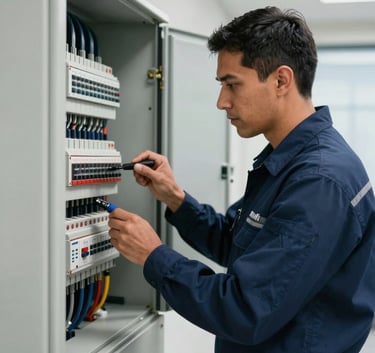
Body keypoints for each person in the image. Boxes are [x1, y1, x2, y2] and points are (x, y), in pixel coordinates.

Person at [108, 6, 375, 353]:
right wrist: (176, 199)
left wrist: (153, 255)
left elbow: (246, 311)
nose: (222, 102)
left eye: (232, 85)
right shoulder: (291, 160)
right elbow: (241, 246)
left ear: (281, 80)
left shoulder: (319, 182)